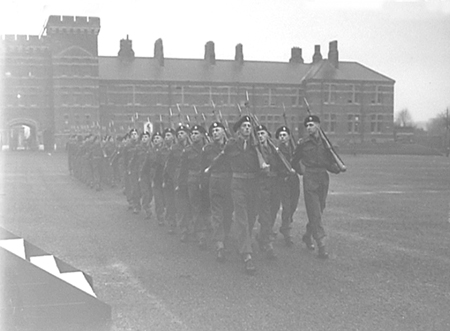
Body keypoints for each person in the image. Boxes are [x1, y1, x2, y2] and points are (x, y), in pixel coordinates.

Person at [208, 115, 261, 274]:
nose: (246, 128)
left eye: (249, 126)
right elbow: (221, 158)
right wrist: (210, 168)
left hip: (253, 184)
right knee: (242, 218)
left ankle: (243, 242)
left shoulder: (256, 145)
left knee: (251, 217)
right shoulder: (232, 144)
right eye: (243, 126)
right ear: (238, 130)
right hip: (237, 183)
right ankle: (247, 255)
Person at [292, 115, 337, 259]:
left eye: (312, 124)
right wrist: (302, 171)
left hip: (323, 178)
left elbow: (330, 162)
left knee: (320, 208)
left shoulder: (325, 143)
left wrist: (336, 169)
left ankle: (307, 234)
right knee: (315, 212)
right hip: (310, 178)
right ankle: (321, 245)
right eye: (307, 125)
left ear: (318, 125)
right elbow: (294, 161)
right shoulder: (303, 144)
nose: (309, 127)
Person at [202, 122, 233, 262]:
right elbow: (203, 166)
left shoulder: (231, 147)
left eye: (217, 130)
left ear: (223, 131)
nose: (215, 133)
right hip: (214, 180)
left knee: (227, 213)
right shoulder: (207, 148)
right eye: (213, 130)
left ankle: (224, 237)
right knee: (217, 214)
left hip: (229, 181)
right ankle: (219, 245)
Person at [179, 124, 209, 249]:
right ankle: (201, 234)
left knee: (206, 206)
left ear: (202, 135)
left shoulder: (208, 148)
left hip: (207, 180)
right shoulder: (187, 150)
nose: (194, 136)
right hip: (192, 180)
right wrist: (181, 183)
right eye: (192, 134)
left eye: (196, 133)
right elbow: (183, 168)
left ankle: (206, 228)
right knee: (195, 206)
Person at [273, 126, 300, 247]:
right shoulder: (277, 151)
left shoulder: (295, 149)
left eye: (284, 135)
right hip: (283, 180)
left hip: (294, 181)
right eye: (280, 136)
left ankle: (285, 226)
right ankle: (287, 231)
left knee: (293, 205)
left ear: (289, 136)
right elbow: (275, 166)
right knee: (287, 206)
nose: (282, 138)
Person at [255, 124, 278, 260]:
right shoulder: (255, 150)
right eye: (258, 134)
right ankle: (268, 244)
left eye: (263, 133)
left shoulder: (274, 150)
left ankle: (262, 236)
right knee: (265, 214)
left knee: (273, 212)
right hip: (261, 185)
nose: (260, 136)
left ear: (268, 135)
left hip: (274, 185)